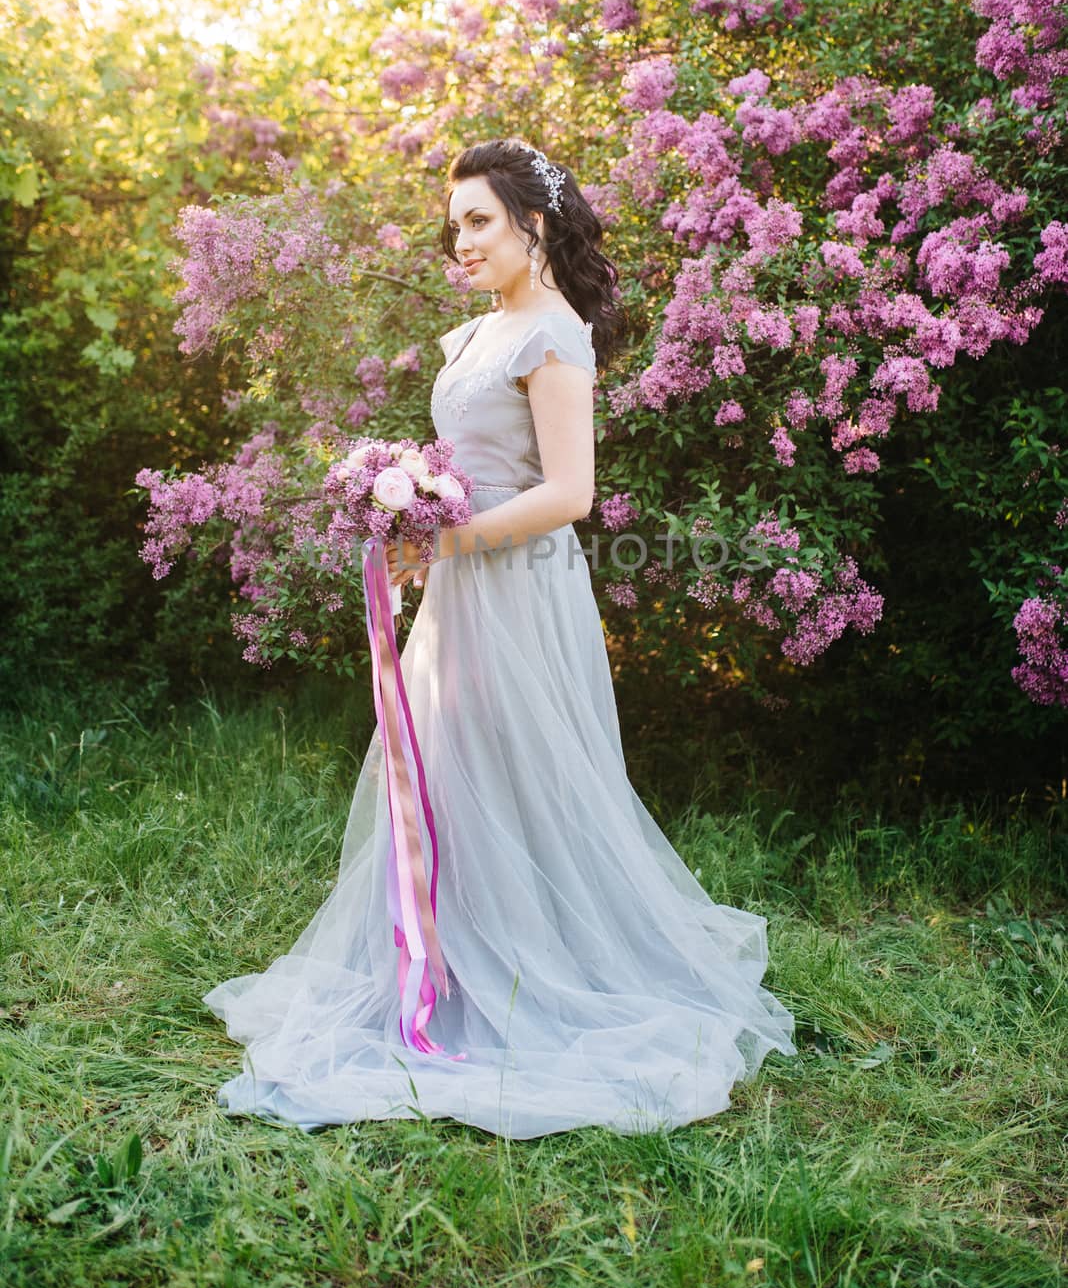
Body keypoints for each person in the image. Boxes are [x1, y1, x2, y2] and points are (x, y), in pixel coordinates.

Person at [203, 137, 797, 1137]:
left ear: (534, 223)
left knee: (519, 768)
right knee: (450, 761)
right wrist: (410, 521)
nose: (461, 238)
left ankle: (540, 965)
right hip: (464, 588)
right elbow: (466, 461)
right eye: (455, 223)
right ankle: (458, 953)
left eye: (480, 219)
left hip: (519, 589)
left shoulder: (553, 336)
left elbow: (570, 493)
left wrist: (447, 537)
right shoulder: (477, 332)